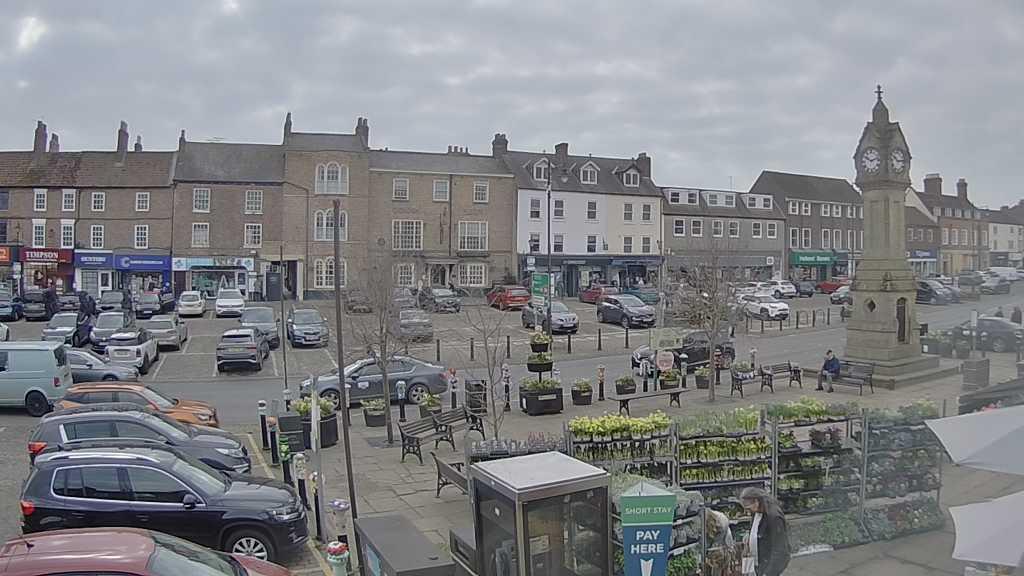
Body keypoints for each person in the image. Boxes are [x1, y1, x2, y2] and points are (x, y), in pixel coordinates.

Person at [739, 486, 790, 576]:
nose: (747, 512)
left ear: (756, 501)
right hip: (759, 563)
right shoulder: (757, 512)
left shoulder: (774, 517)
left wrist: (768, 573)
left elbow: (780, 549)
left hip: (768, 566)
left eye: (748, 508)